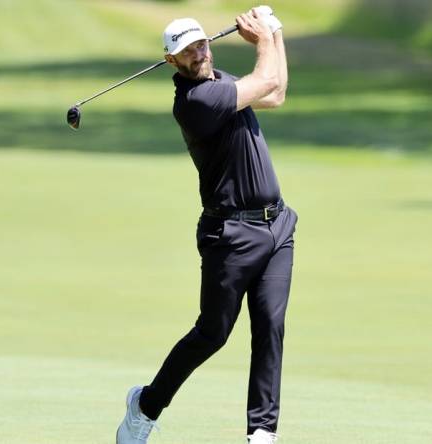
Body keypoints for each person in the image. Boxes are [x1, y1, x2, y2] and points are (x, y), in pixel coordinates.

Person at [116, 6, 296, 444]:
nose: (197, 53)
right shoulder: (197, 102)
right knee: (212, 333)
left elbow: (275, 95)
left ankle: (262, 431)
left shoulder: (223, 82)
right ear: (171, 61)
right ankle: (145, 405)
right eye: (186, 51)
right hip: (230, 236)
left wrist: (275, 33)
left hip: (277, 228)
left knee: (269, 327)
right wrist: (265, 38)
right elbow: (267, 80)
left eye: (200, 44)